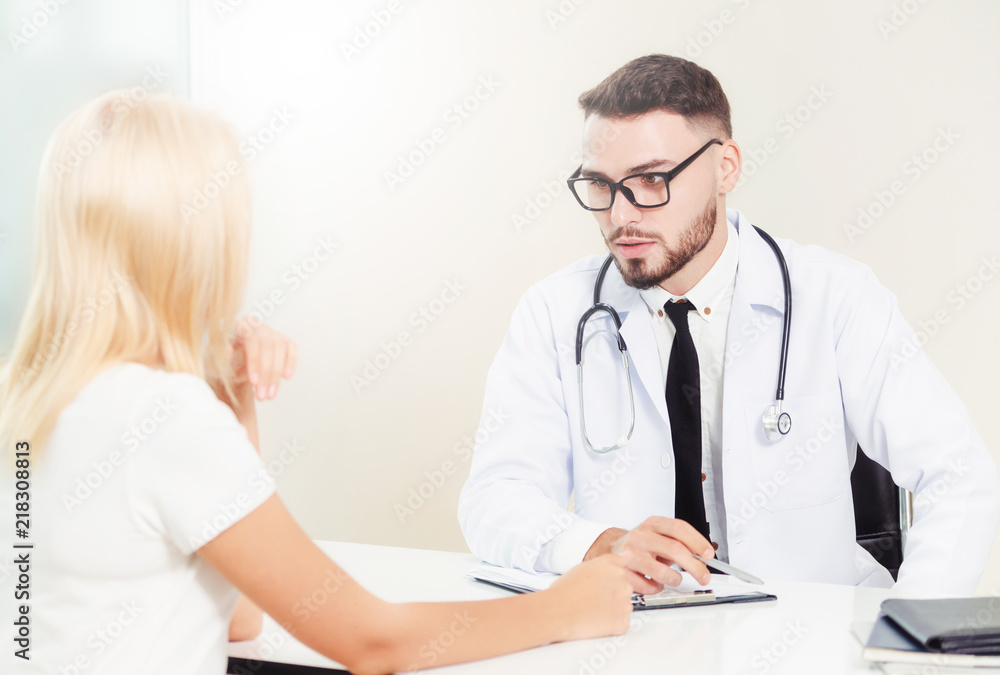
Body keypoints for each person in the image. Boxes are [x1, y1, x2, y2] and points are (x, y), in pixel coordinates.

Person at [0, 91, 634, 675]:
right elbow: (372, 640)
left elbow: (237, 614)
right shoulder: (163, 415)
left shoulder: (29, 397)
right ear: (196, 242)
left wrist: (232, 395)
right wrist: (564, 610)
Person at [458, 54, 1000, 596]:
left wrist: (907, 632)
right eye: (601, 185)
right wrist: (599, 543)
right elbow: (495, 497)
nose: (621, 216)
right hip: (636, 634)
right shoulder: (555, 312)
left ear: (726, 167)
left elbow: (957, 477)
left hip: (811, 632)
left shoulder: (836, 295)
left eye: (650, 179)